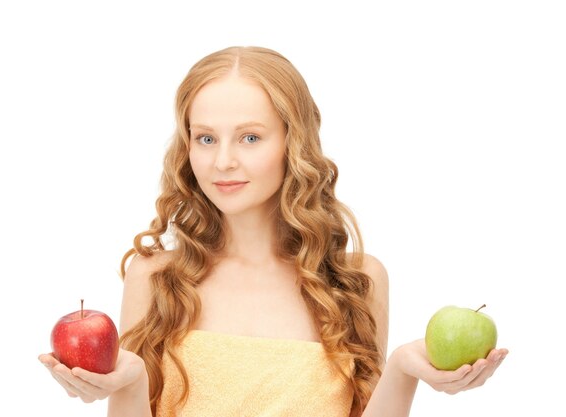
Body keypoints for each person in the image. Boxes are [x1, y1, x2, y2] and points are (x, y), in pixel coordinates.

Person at [39, 46, 508, 417]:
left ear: (293, 142)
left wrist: (405, 369)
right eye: (205, 138)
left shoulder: (356, 281)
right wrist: (132, 380)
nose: (222, 160)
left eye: (250, 137)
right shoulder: (155, 276)